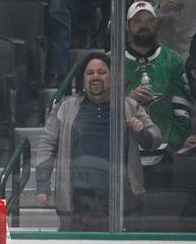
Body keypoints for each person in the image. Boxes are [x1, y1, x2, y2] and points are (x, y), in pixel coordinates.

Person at [35, 52, 161, 231]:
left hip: (122, 200)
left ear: (112, 76)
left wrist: (140, 131)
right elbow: (46, 146)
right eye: (90, 73)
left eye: (102, 72)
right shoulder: (64, 107)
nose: (95, 77)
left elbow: (154, 139)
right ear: (83, 78)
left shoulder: (129, 106)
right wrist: (42, 186)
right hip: (77, 200)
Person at [124, 1, 194, 190]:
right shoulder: (112, 62)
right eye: (137, 21)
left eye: (149, 21)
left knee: (158, 212)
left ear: (156, 25)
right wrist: (128, 99)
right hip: (123, 155)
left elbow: (183, 107)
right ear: (127, 26)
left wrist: (173, 145)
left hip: (162, 156)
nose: (143, 25)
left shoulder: (173, 61)